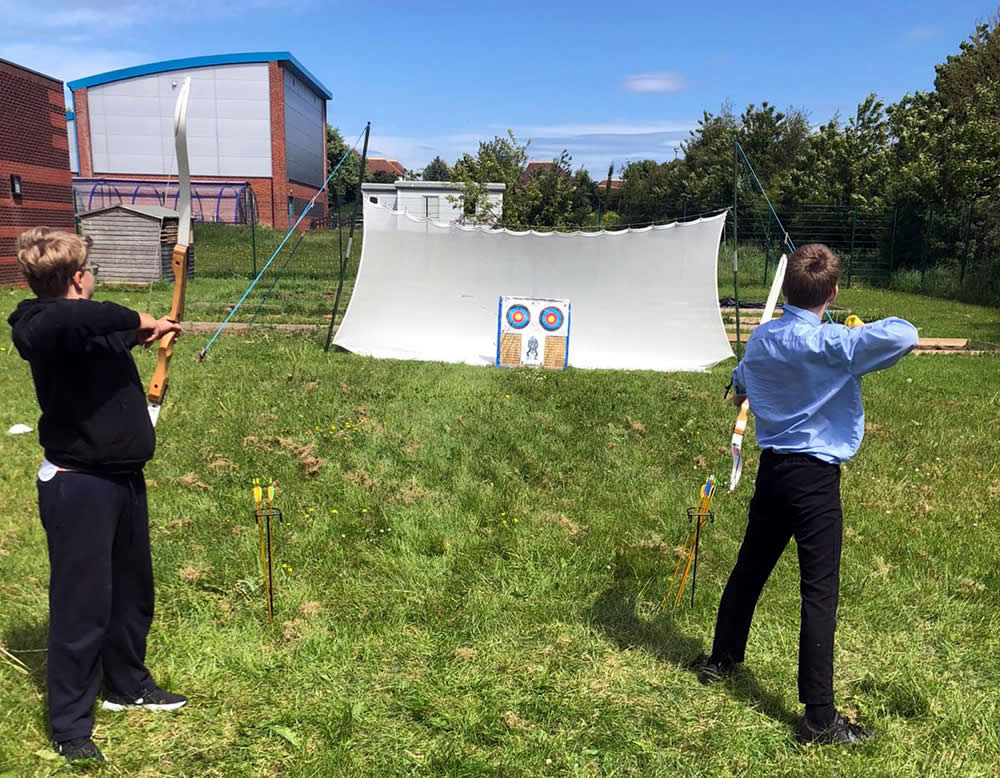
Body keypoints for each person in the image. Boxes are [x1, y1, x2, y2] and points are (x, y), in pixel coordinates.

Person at [699, 243, 918, 745]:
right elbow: (906, 333)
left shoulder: (762, 339)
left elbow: (739, 386)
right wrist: (855, 332)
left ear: (789, 289)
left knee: (750, 567)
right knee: (819, 591)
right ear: (834, 292)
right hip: (815, 479)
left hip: (773, 473)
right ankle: (819, 718)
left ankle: (723, 658)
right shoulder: (837, 345)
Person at [8, 227, 188, 763]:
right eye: (88, 272)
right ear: (79, 278)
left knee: (130, 593)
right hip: (77, 484)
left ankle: (127, 685)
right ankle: (69, 724)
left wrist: (145, 337)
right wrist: (140, 319)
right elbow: (82, 320)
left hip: (123, 478)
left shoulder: (83, 328)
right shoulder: (37, 323)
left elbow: (99, 333)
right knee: (81, 608)